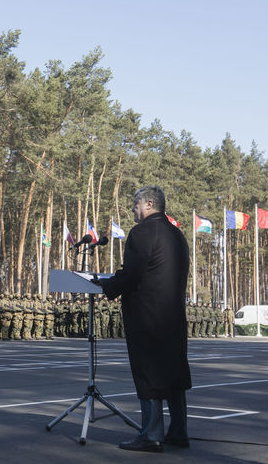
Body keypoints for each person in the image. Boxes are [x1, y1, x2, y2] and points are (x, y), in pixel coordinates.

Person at [96, 185, 192, 453]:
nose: (133, 209)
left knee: (148, 374)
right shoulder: (177, 234)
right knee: (174, 374)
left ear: (149, 204)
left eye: (136, 204)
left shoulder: (142, 232)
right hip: (173, 317)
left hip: (148, 317)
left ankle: (150, 434)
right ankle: (178, 432)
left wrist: (108, 286)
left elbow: (134, 274)